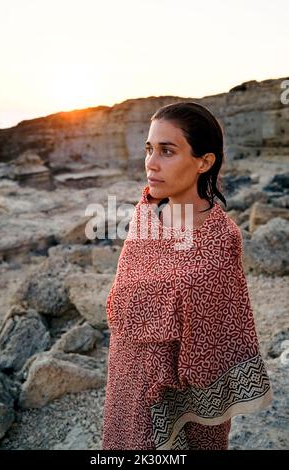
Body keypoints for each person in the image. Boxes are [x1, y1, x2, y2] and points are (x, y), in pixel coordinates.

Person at [101, 102, 273, 450]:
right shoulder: (144, 216)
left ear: (203, 162)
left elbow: (222, 331)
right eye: (149, 149)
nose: (151, 162)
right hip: (125, 380)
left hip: (185, 398)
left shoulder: (220, 239)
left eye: (167, 151)